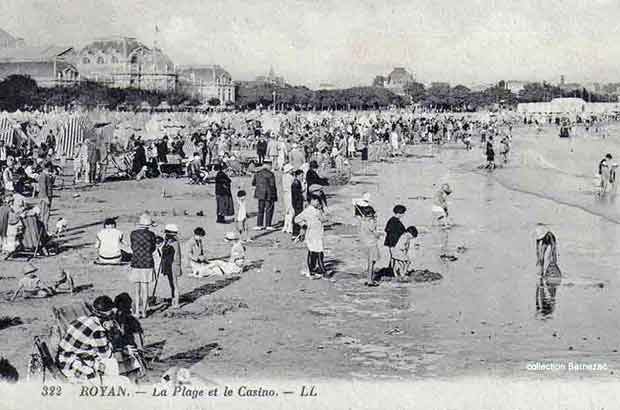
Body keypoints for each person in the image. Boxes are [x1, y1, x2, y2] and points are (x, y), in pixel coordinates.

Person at [57, 295, 121, 381]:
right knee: (111, 364)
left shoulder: (82, 319)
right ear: (107, 315)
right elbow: (106, 355)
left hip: (62, 359)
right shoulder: (98, 330)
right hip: (72, 367)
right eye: (111, 313)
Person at [294, 194, 330, 279]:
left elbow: (324, 220)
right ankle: (322, 270)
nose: (318, 202)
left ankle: (313, 270)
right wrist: (304, 225)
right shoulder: (308, 211)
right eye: (316, 200)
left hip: (318, 234)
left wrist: (321, 210)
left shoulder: (317, 210)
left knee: (315, 252)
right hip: (311, 234)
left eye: (318, 201)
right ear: (311, 201)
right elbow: (296, 219)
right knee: (318, 252)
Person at [129, 213, 157, 318]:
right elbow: (153, 249)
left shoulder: (133, 234)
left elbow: (132, 247)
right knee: (145, 289)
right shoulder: (151, 235)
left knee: (137, 290)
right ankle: (144, 312)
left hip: (136, 262)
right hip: (148, 263)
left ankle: (136, 312)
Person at [354, 195, 381, 286]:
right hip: (372, 243)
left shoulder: (362, 221)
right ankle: (370, 280)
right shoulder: (371, 222)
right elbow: (374, 232)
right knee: (372, 263)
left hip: (365, 243)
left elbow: (357, 214)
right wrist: (375, 222)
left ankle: (369, 279)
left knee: (370, 262)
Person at [159, 224, 182, 308]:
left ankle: (176, 302)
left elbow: (166, 252)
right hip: (171, 264)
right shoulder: (172, 241)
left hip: (173, 265)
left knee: (174, 284)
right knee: (172, 284)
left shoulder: (173, 242)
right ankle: (174, 300)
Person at [251, 161, 277, 231]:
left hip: (260, 194)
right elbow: (272, 185)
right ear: (268, 166)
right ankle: (268, 225)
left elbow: (253, 183)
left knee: (260, 209)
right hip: (269, 194)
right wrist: (274, 195)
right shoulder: (270, 174)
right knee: (269, 209)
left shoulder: (257, 173)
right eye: (270, 165)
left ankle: (259, 225)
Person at [384, 204, 407, 270]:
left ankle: (391, 269)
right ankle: (392, 270)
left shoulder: (393, 220)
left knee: (393, 257)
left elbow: (387, 230)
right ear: (400, 213)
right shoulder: (394, 221)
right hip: (394, 242)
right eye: (403, 213)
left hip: (393, 242)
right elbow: (390, 231)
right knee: (395, 257)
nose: (404, 214)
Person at [37, 162, 55, 231]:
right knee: (44, 215)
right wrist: (45, 198)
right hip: (45, 197)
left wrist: (53, 178)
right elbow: (42, 188)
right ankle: (44, 231)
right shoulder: (43, 175)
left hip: (48, 196)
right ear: (48, 167)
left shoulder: (46, 175)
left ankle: (45, 230)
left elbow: (49, 185)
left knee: (46, 214)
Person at [281, 163, 295, 234]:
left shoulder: (284, 176)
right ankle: (290, 226)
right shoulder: (291, 177)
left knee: (287, 210)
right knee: (291, 210)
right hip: (290, 194)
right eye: (291, 169)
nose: (292, 170)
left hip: (285, 194)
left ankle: (285, 226)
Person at [291, 169, 305, 237]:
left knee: (298, 217)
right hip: (297, 204)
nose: (302, 177)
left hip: (297, 203)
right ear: (298, 175)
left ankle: (297, 232)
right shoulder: (295, 183)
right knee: (297, 218)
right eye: (302, 176)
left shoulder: (297, 182)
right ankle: (295, 233)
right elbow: (296, 195)